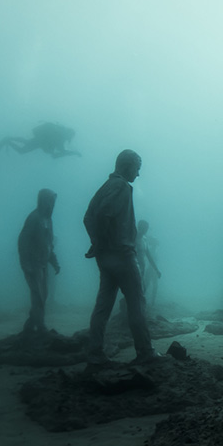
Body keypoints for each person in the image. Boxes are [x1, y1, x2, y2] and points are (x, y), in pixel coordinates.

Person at [82, 149, 157, 363]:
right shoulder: (121, 187)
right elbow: (104, 214)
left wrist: (97, 244)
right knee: (137, 302)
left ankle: (95, 353)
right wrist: (106, 243)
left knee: (103, 305)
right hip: (121, 255)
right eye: (137, 169)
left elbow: (88, 217)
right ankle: (145, 352)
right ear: (127, 166)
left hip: (106, 257)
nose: (138, 174)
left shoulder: (104, 187)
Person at [18, 189, 60, 334]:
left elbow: (49, 245)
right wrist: (25, 264)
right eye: (50, 201)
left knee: (44, 294)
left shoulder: (48, 220)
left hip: (43, 263)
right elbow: (23, 241)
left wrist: (54, 262)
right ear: (43, 201)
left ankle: (30, 326)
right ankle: (40, 326)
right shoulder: (33, 218)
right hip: (33, 264)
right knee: (38, 295)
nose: (52, 204)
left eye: (53, 201)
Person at [0, 122, 81, 160]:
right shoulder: (60, 137)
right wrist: (74, 152)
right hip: (40, 142)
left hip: (40, 140)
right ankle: (8, 140)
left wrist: (73, 152)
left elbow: (58, 151)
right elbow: (61, 151)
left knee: (26, 142)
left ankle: (9, 139)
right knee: (22, 151)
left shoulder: (59, 135)